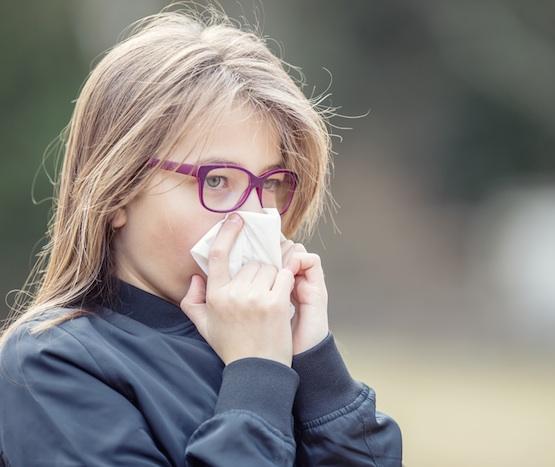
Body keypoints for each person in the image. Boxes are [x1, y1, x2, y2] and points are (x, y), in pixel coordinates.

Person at [0, 5, 403, 466]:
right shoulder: (50, 362)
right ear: (115, 192)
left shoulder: (270, 349)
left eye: (270, 184)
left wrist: (315, 364)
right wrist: (255, 377)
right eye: (216, 180)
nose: (255, 213)